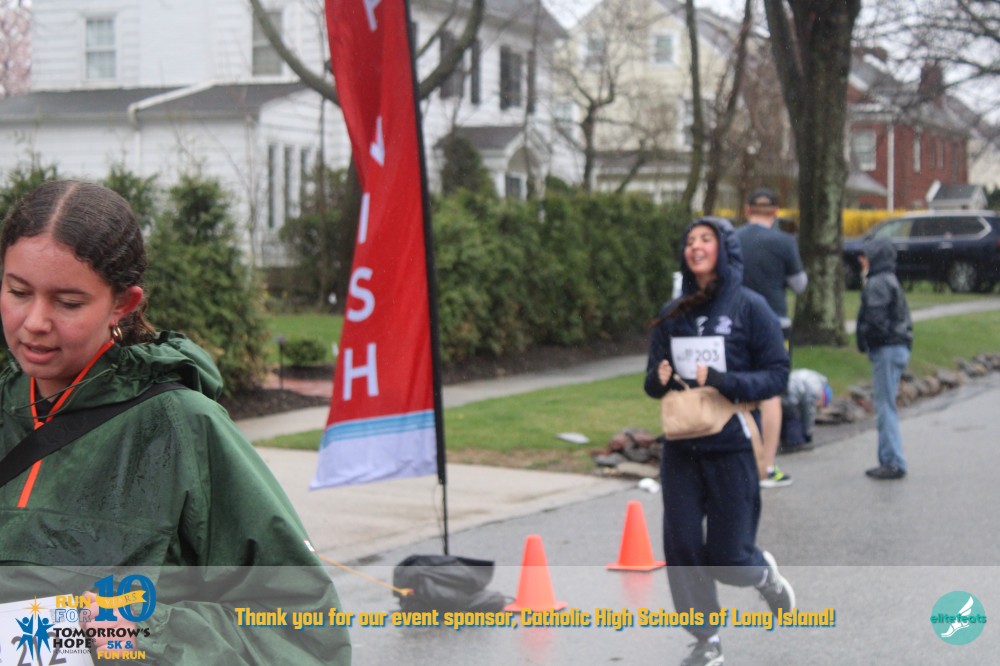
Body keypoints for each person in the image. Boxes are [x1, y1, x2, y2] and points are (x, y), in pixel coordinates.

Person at [0, 180, 351, 664]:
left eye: (69, 303)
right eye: (18, 291)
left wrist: (151, 635)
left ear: (123, 304)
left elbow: (308, 634)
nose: (36, 321)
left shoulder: (183, 427)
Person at [644, 217, 794, 666]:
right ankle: (707, 640)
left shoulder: (750, 307)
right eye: (690, 240)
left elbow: (777, 375)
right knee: (683, 549)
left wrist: (724, 380)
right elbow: (652, 381)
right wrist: (658, 378)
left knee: (728, 558)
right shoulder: (673, 313)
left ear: (724, 248)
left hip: (731, 445)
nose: (695, 246)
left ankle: (763, 576)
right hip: (681, 449)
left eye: (705, 239)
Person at [734, 187, 807, 489]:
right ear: (776, 212)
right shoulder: (784, 242)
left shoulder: (733, 239)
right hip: (776, 323)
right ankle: (766, 466)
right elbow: (800, 285)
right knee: (771, 392)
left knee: (738, 389)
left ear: (747, 210)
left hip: (737, 321)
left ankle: (740, 462)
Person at [856, 237, 913, 480]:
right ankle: (888, 458)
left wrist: (866, 340)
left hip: (887, 348)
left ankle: (892, 461)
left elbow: (876, 320)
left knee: (885, 406)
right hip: (897, 346)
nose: (862, 262)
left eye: (865, 257)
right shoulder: (889, 279)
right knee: (886, 403)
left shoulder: (878, 283)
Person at [780, 368, 833, 451]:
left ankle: (784, 440)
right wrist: (808, 433)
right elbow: (808, 412)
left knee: (785, 415)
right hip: (790, 394)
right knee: (794, 417)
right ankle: (794, 443)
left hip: (783, 390)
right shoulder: (816, 388)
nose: (818, 407)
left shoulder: (814, 378)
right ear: (823, 396)